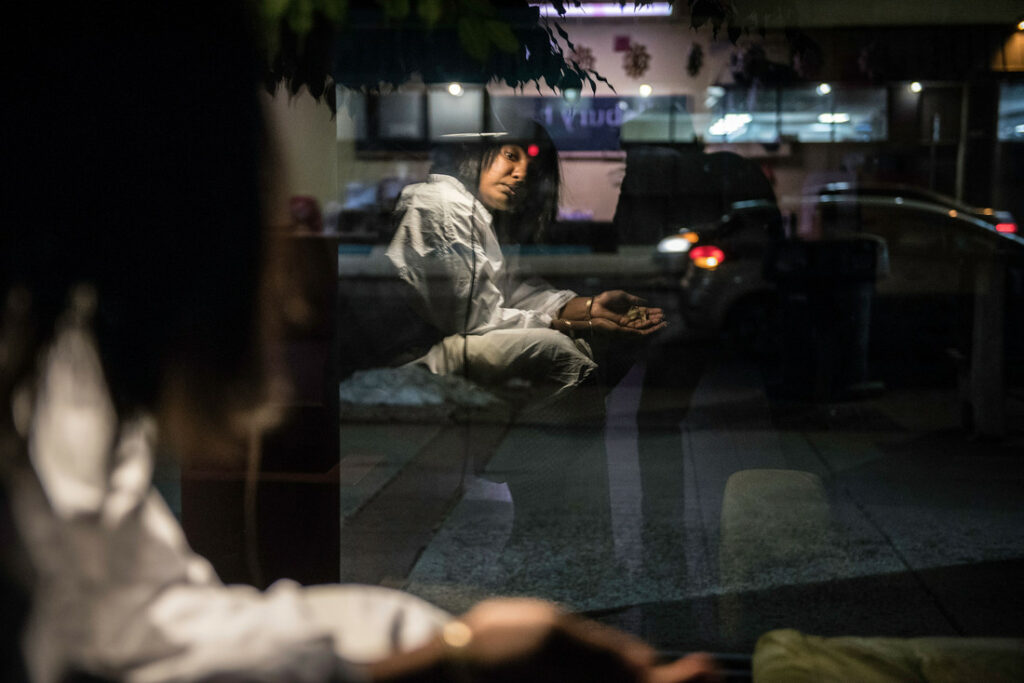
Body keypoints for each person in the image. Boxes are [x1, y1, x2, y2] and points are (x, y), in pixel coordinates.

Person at [0, 2, 716, 681]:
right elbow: (121, 644)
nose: (289, 285)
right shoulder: (50, 369)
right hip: (433, 357)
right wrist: (458, 657)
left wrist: (578, 305)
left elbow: (146, 613)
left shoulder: (60, 354)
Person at [385, 123, 666, 401]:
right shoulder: (443, 204)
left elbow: (514, 292)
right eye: (510, 155)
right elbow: (473, 319)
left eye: (532, 169)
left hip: (459, 340)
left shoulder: (473, 209)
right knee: (556, 349)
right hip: (422, 355)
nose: (521, 175)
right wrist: (575, 324)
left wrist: (591, 308)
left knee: (587, 343)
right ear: (472, 152)